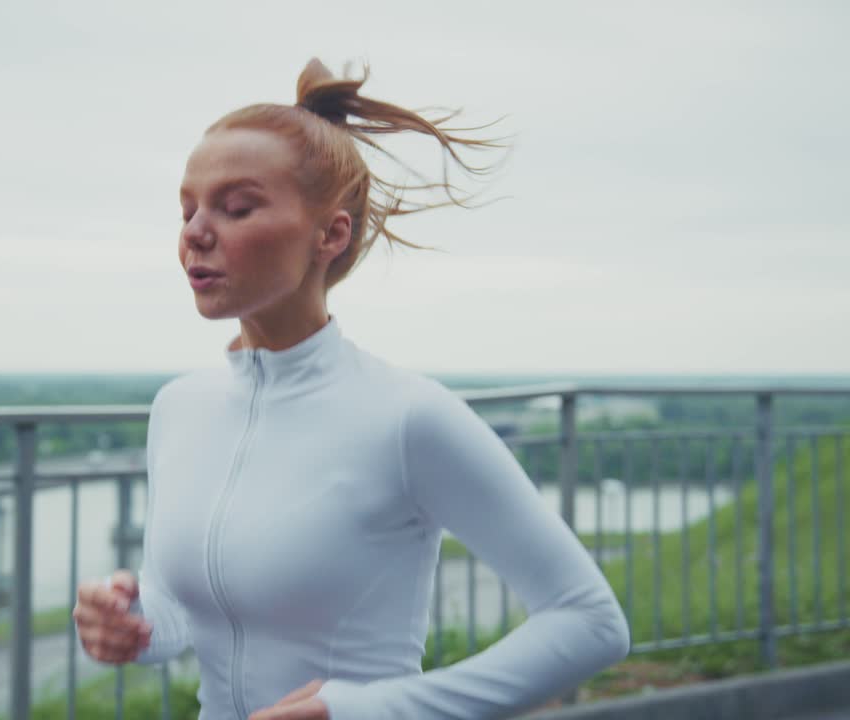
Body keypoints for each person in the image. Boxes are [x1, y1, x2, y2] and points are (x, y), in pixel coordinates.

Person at [72, 58, 630, 720]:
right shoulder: (178, 409)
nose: (195, 232)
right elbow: (185, 612)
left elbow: (590, 622)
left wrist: (375, 709)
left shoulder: (406, 417)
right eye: (187, 208)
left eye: (236, 206)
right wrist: (131, 621)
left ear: (329, 235)